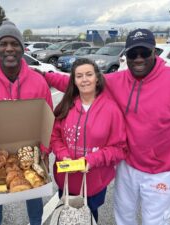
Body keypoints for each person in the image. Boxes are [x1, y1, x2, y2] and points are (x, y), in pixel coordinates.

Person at [39, 28, 170, 225]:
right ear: (126, 56)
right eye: (133, 54)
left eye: (145, 53)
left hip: (162, 171)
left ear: (155, 53)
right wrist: (42, 75)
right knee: (123, 217)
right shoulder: (117, 80)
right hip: (127, 165)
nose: (139, 59)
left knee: (156, 221)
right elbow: (79, 82)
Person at [0, 20, 53, 225]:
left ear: (22, 48)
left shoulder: (37, 82)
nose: (9, 49)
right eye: (3, 44)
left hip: (31, 152)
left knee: (35, 195)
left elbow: (48, 119)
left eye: (14, 44)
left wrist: (44, 149)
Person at [50, 58, 127, 222]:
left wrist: (92, 160)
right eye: (79, 76)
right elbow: (54, 137)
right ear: (74, 81)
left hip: (94, 181)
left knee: (88, 217)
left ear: (97, 78)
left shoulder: (111, 109)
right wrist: (63, 154)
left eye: (89, 74)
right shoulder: (65, 106)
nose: (84, 79)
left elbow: (119, 148)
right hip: (66, 179)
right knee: (67, 217)